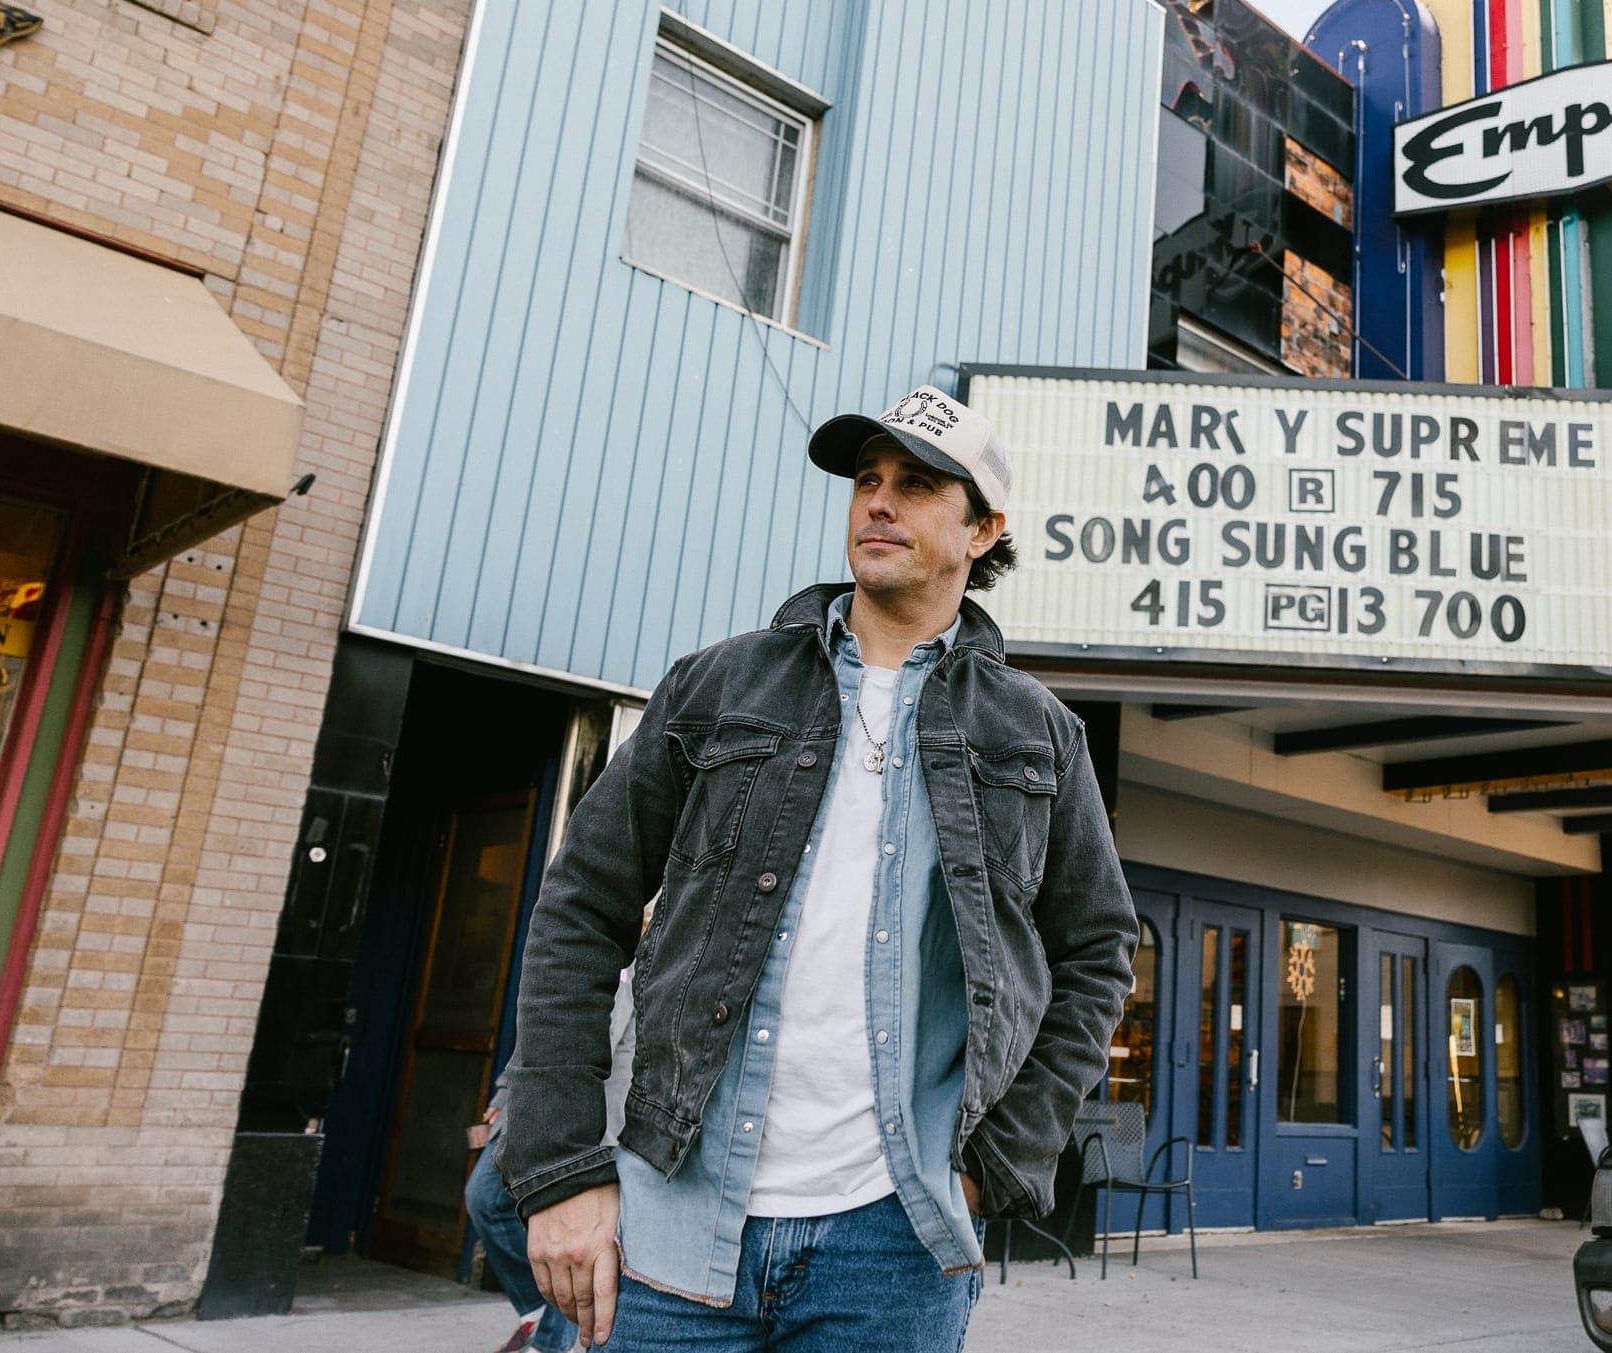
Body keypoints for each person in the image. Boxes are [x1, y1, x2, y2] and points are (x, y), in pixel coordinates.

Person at [494, 386, 1138, 1350]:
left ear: (983, 529)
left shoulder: (1036, 730)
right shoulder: (719, 684)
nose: (878, 502)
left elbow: (1097, 952)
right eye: (866, 480)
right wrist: (559, 1170)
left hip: (895, 1244)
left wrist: (995, 1162)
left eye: (917, 485)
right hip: (673, 1223)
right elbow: (580, 907)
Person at [467, 971, 636, 1353]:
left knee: (577, 1240)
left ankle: (549, 1342)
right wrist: (504, 1095)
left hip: (600, 1122)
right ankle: (537, 1311)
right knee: (484, 1198)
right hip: (538, 1107)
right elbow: (544, 1026)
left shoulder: (656, 949)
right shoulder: (580, 938)